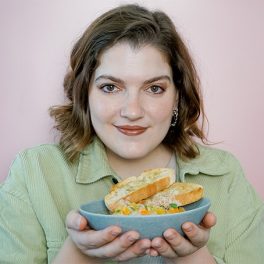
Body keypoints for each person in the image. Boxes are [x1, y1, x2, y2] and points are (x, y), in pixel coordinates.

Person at [0, 4, 263, 264]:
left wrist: (192, 255)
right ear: (85, 94)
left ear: (177, 98)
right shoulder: (34, 172)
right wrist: (78, 252)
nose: (132, 111)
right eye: (111, 87)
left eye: (155, 89)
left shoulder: (226, 174)